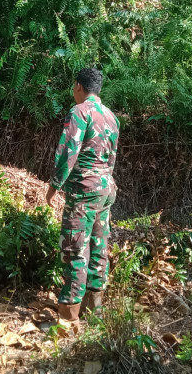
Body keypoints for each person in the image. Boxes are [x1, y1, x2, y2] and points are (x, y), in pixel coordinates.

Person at [45, 68, 119, 329]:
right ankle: (94, 307)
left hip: (85, 190)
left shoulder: (79, 112)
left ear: (78, 87)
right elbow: (111, 158)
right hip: (105, 188)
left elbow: (68, 152)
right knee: (99, 245)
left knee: (75, 246)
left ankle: (68, 315)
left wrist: (54, 185)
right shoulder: (111, 117)